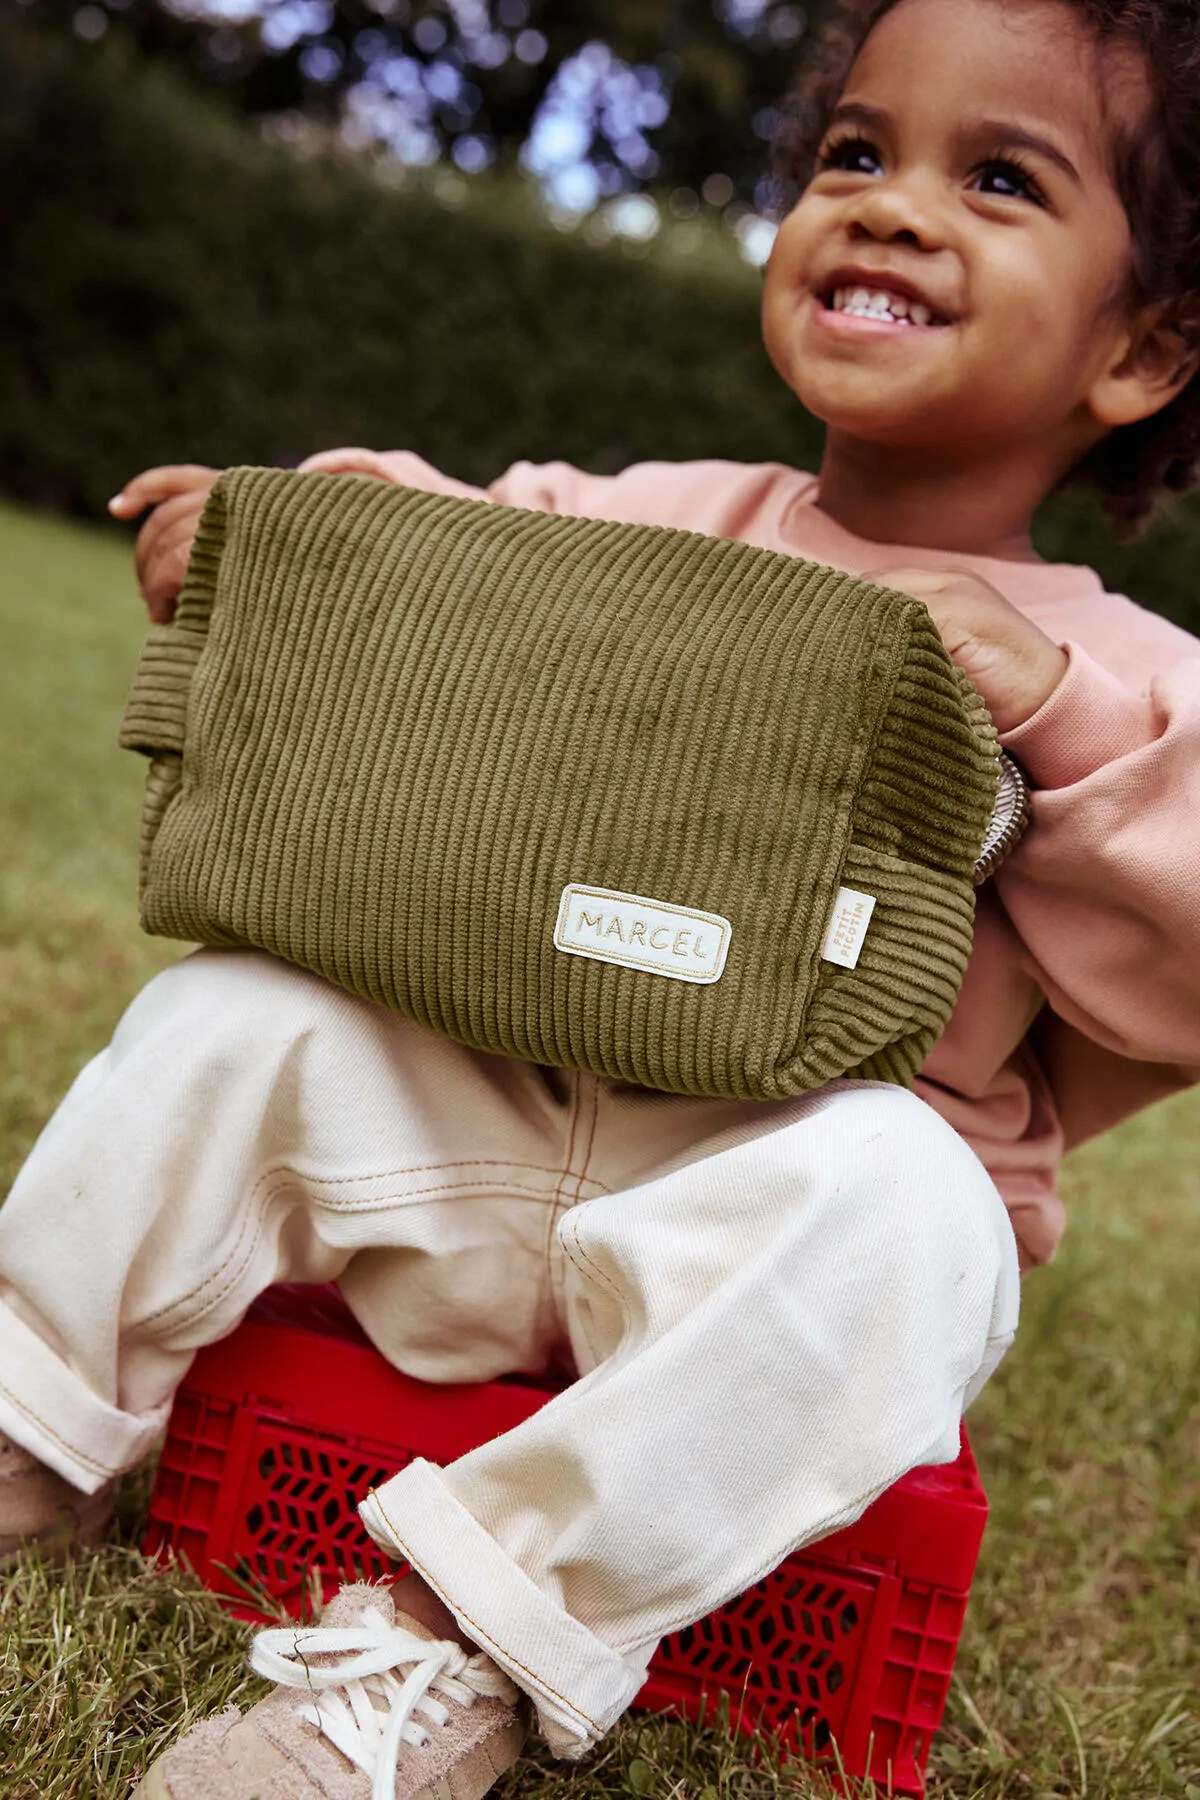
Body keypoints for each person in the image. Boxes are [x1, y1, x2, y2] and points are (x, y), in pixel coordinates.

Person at [4, 0, 1200, 1793]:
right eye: (855, 154)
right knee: (236, 1018)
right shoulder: (648, 516)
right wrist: (288, 537)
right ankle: (27, 1432)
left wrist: (1050, 710)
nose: (885, 204)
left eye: (1002, 177)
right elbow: (449, 552)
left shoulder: (1131, 674)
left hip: (740, 1274)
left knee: (920, 1214)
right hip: (475, 1155)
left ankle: (447, 1647)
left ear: (1143, 350)